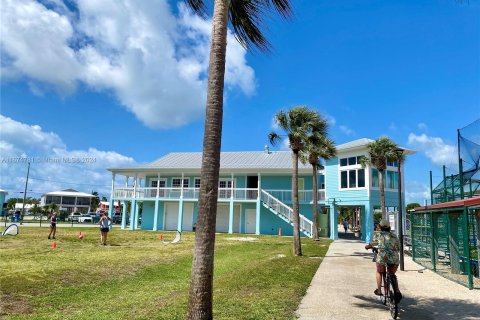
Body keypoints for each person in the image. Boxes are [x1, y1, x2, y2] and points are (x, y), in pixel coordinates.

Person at [365, 219, 402, 301]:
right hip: (394, 258)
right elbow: (398, 247)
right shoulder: (394, 236)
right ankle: (397, 291)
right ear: (389, 227)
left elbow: (372, 244)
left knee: (379, 271)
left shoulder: (379, 235)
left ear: (380, 227)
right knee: (392, 274)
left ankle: (379, 290)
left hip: (382, 258)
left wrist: (367, 247)